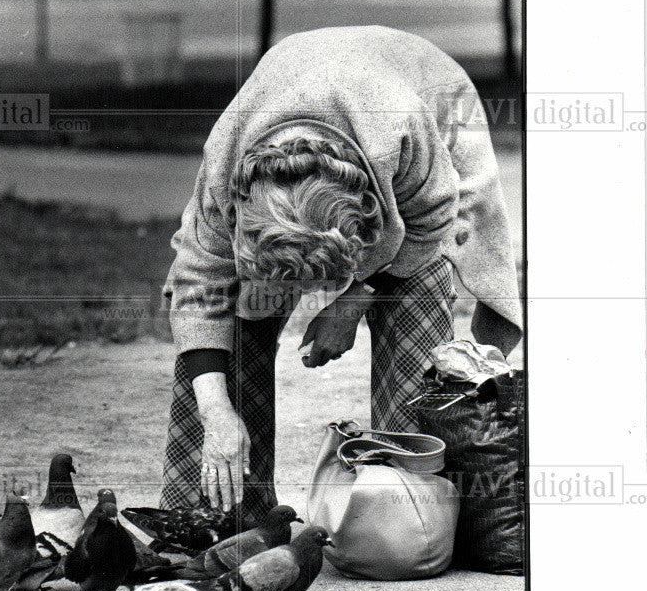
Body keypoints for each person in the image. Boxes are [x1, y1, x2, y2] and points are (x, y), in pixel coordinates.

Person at [161, 26, 522, 521]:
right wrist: (215, 410)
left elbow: (432, 220)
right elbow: (199, 285)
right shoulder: (227, 167)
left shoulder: (399, 131)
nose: (302, 294)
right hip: (298, 79)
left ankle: (409, 501)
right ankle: (219, 513)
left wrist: (353, 300)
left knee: (419, 285)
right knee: (229, 315)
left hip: (429, 95)